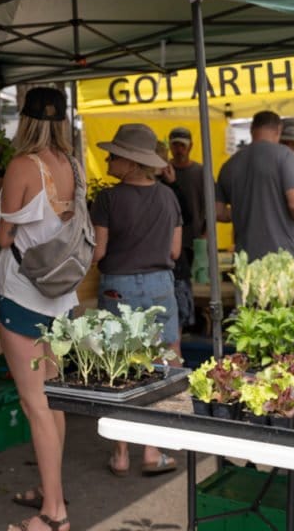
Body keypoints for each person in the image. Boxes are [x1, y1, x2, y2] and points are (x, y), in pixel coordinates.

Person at [0, 86, 76, 531]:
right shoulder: (71, 165)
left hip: (23, 295)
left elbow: (3, 238)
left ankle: (54, 514)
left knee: (35, 403)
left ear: (24, 119)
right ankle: (51, 489)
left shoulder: (23, 165)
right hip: (60, 298)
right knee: (53, 401)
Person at [91, 123, 182, 478]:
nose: (108, 159)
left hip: (118, 286)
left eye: (113, 155)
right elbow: (174, 250)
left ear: (130, 161)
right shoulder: (168, 197)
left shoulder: (107, 199)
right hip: (160, 284)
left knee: (119, 366)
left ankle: (120, 454)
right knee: (159, 367)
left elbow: (98, 252)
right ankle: (151, 450)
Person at [215, 111, 294, 261]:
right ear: (278, 130)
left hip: (245, 260)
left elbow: (218, 212)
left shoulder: (229, 165)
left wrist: (247, 210)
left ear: (252, 129)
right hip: (282, 257)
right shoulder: (285, 156)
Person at [156, 140, 194, 333]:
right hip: (173, 269)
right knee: (172, 337)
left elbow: (186, 217)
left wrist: (173, 184)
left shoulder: (168, 191)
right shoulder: (169, 191)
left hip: (172, 270)